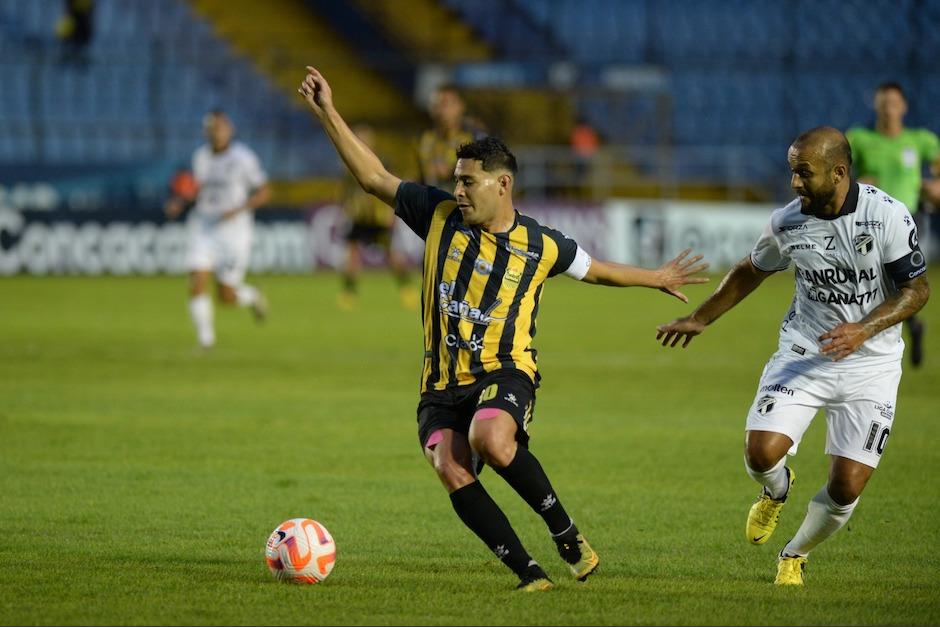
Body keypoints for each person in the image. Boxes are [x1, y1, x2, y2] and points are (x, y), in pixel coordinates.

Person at [298, 65, 709, 591]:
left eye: (468, 181)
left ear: (503, 184)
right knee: (449, 463)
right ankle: (529, 573)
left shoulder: (541, 243)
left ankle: (565, 533)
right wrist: (329, 112)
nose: (459, 190)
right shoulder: (437, 215)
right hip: (440, 384)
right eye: (456, 181)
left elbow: (598, 270)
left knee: (491, 437)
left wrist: (656, 277)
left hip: (506, 370)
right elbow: (374, 177)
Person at [656, 127, 929, 586]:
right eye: (792, 171)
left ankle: (794, 553)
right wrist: (701, 319)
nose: (795, 183)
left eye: (805, 173)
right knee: (761, 453)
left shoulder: (888, 218)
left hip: (872, 365)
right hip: (805, 350)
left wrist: (864, 329)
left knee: (846, 487)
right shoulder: (787, 222)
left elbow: (917, 289)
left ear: (839, 172)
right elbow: (751, 269)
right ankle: (776, 491)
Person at [846, 82, 940, 367]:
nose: (889, 109)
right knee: (883, 279)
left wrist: (931, 187)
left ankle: (883, 334)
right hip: (868, 219)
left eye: (894, 103)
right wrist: (857, 184)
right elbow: (840, 177)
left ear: (904, 107)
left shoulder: (921, 140)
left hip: (908, 218)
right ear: (876, 106)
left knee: (895, 278)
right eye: (883, 103)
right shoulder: (859, 138)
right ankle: (908, 326)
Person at [164, 109, 271, 350]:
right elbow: (196, 190)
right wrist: (179, 202)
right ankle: (205, 341)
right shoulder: (200, 157)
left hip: (234, 232)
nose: (217, 133)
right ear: (206, 132)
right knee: (197, 279)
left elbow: (264, 193)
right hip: (204, 226)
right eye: (213, 128)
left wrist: (239, 209)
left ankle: (252, 296)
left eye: (221, 128)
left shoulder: (243, 158)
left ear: (230, 130)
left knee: (226, 296)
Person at [337, 124, 418, 311]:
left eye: (365, 137)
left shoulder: (381, 161)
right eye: (359, 137)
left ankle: (406, 288)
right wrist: (343, 207)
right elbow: (345, 190)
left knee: (391, 256)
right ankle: (349, 293)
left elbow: (392, 185)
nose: (362, 141)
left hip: (378, 217)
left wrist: (392, 212)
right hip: (358, 215)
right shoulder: (348, 161)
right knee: (352, 254)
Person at [415, 83, 487, 192]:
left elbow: (487, 175)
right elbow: (419, 177)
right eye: (435, 104)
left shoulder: (475, 136)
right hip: (432, 204)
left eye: (446, 104)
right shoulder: (424, 138)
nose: (441, 109)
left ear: (460, 106)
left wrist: (452, 171)